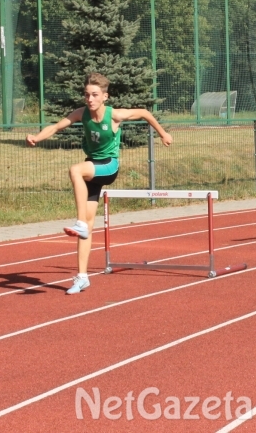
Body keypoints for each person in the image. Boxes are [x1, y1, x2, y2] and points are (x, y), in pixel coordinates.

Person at [26, 73, 173, 295]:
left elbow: (144, 113)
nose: (90, 99)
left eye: (95, 95)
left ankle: (79, 222)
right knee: (87, 226)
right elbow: (56, 127)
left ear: (105, 96)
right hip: (93, 166)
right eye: (87, 95)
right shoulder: (81, 113)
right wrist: (37, 138)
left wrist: (163, 133)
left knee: (75, 170)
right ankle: (82, 277)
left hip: (109, 166)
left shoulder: (114, 115)